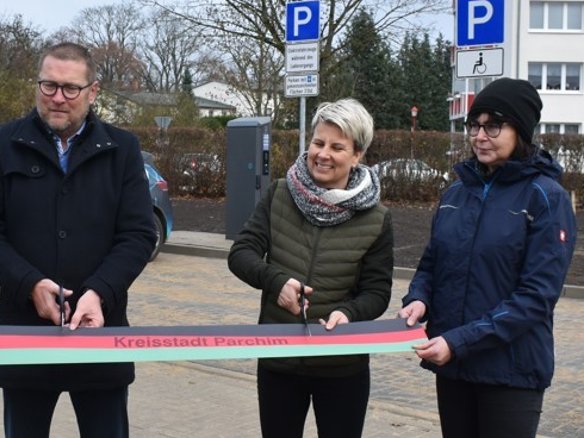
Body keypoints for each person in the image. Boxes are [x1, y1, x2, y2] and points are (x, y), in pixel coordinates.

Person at [0, 42, 156, 438]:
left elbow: (138, 235)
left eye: (70, 88)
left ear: (93, 91)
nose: (58, 98)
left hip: (100, 334)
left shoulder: (122, 149)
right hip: (25, 337)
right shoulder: (3, 143)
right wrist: (28, 284)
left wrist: (98, 293)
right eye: (48, 86)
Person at [399, 78, 576, 438]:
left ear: (520, 130)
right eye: (474, 125)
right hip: (455, 368)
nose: (480, 135)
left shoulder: (546, 198)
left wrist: (458, 341)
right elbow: (432, 263)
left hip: (510, 374)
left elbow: (536, 297)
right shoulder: (455, 192)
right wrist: (418, 299)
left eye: (493, 125)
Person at [228, 98, 393, 438]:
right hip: (279, 360)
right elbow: (241, 253)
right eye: (318, 142)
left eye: (337, 147)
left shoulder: (377, 218)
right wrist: (275, 282)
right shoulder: (279, 194)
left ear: (357, 155)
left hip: (342, 367)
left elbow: (377, 292)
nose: (323, 154)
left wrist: (348, 312)